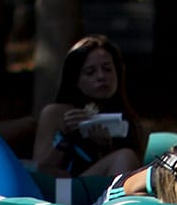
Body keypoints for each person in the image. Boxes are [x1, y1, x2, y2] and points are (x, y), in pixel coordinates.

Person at [27, 34, 145, 183]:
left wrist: (104, 149)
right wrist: (66, 138)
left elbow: (135, 175)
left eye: (108, 69)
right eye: (90, 72)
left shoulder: (130, 122)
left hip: (100, 191)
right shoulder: (57, 114)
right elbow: (41, 172)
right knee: (125, 156)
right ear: (75, 80)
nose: (101, 76)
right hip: (63, 192)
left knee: (126, 156)